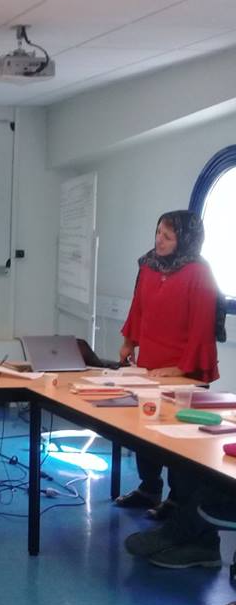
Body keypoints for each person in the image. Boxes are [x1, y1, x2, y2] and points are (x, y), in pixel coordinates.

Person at [114, 211, 221, 522]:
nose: (159, 240)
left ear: (184, 240)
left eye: (168, 236)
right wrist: (129, 342)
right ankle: (149, 488)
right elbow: (138, 306)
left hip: (184, 371)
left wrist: (181, 369)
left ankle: (178, 499)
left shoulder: (199, 272)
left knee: (177, 439)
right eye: (158, 232)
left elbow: (202, 326)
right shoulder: (148, 265)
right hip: (150, 366)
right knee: (145, 431)